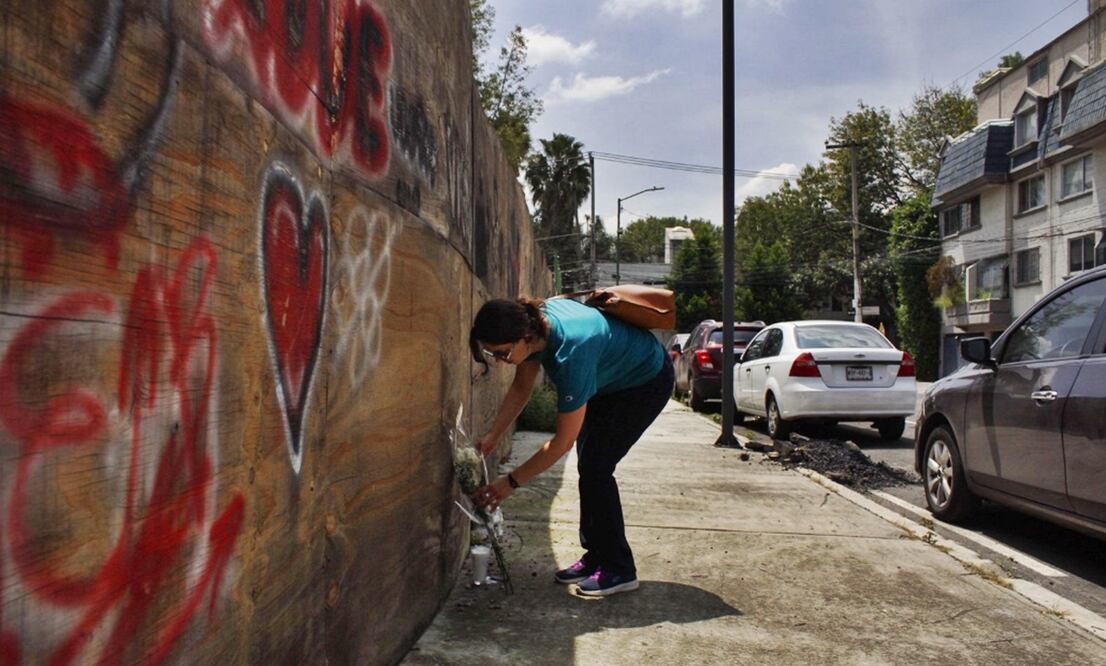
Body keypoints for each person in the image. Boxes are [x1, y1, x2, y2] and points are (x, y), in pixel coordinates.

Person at [468, 295, 674, 597]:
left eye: (501, 353)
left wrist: (508, 483)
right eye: (492, 355)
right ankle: (597, 555)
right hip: (611, 379)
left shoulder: (572, 352)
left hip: (644, 382)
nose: (500, 361)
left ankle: (619, 569)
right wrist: (493, 436)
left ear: (524, 337)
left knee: (596, 467)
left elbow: (561, 443)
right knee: (589, 462)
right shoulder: (535, 325)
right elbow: (522, 386)